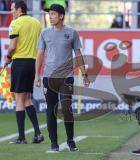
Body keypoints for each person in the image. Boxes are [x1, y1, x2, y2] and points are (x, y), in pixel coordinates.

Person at [35, 4, 90, 152]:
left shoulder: (71, 33)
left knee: (66, 109)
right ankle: (54, 143)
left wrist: (84, 73)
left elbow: (78, 54)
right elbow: (39, 55)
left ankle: (71, 141)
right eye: (49, 14)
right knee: (51, 111)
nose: (50, 17)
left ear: (61, 16)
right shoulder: (44, 33)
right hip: (48, 77)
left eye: (53, 14)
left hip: (66, 77)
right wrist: (37, 76)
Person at [4, 0, 44, 144]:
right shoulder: (37, 23)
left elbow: (12, 45)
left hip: (20, 62)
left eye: (13, 9)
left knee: (19, 99)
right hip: (32, 63)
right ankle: (38, 134)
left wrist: (8, 57)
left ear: (20, 9)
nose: (11, 11)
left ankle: (21, 138)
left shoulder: (14, 24)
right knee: (26, 98)